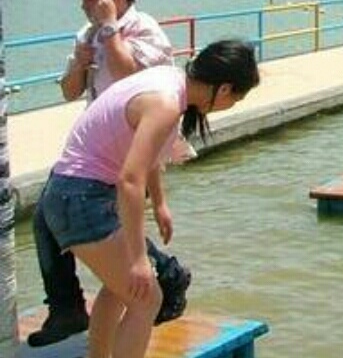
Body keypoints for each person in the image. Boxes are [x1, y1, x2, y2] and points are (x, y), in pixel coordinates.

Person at [35, 40, 260, 358]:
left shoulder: (169, 81)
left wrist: (160, 203)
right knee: (146, 298)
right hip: (81, 199)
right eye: (236, 98)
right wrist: (140, 260)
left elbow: (147, 155)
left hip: (70, 194)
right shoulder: (166, 105)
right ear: (224, 89)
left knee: (119, 290)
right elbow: (130, 180)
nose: (232, 105)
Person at [30, 0, 185, 349]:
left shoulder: (143, 30)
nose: (85, 6)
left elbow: (136, 77)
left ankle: (163, 273)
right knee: (51, 219)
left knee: (120, 261)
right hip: (94, 157)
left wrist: (111, 29)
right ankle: (68, 308)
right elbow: (69, 90)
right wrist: (80, 63)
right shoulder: (88, 32)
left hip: (126, 159)